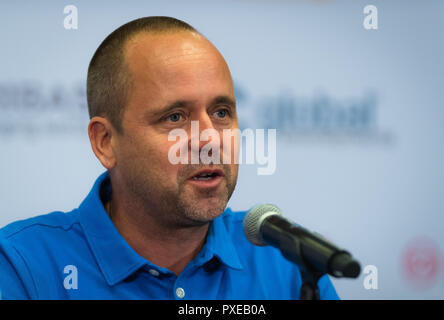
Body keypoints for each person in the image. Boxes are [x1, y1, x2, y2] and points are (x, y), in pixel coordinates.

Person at [0, 16, 339, 299]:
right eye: (175, 117)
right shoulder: (22, 266)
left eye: (221, 112)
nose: (210, 138)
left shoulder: (285, 262)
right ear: (106, 142)